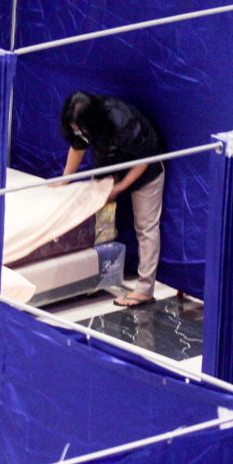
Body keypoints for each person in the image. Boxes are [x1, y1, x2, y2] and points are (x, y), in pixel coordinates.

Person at [58, 91, 165, 307]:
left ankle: (144, 289)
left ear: (92, 122)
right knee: (92, 215)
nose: (78, 132)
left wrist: (119, 188)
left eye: (80, 128)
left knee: (146, 227)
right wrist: (64, 180)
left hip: (145, 167)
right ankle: (91, 278)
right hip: (111, 163)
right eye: (74, 128)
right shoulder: (83, 124)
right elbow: (78, 147)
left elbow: (146, 157)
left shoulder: (121, 121)